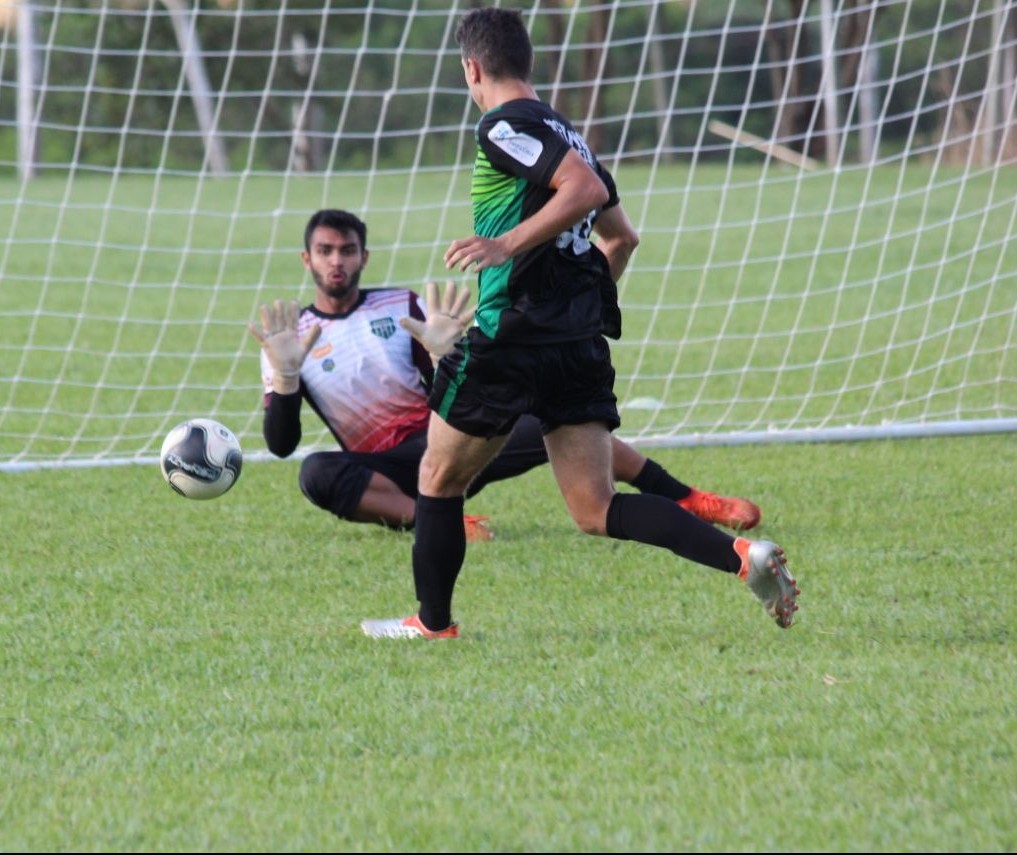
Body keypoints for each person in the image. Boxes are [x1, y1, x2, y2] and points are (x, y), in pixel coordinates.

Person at [360, 7, 799, 640]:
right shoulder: (569, 132)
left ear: (471, 68)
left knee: (437, 477)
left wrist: (506, 245)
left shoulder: (502, 126)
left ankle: (432, 625)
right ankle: (742, 558)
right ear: (528, 62)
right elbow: (622, 240)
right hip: (576, 346)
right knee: (596, 509)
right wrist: (578, 311)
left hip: (510, 341)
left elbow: (584, 191)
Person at [248, 208, 762, 546]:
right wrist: (286, 376)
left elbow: (464, 383)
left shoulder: (399, 305)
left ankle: (689, 498)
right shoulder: (290, 335)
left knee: (552, 422)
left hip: (449, 442)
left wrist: (448, 350)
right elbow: (280, 442)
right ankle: (436, 520)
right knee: (315, 472)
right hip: (383, 469)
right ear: (307, 258)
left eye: (347, 250)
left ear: (364, 256)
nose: (336, 261)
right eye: (325, 251)